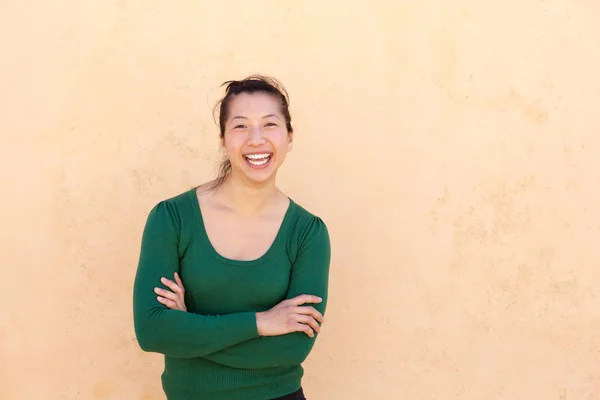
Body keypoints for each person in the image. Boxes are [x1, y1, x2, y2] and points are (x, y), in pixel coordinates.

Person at [132, 75, 331, 400]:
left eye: (270, 124)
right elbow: (153, 332)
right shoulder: (172, 219)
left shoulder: (308, 233)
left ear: (290, 137)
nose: (256, 139)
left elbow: (293, 348)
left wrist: (189, 329)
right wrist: (262, 323)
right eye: (240, 126)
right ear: (223, 139)